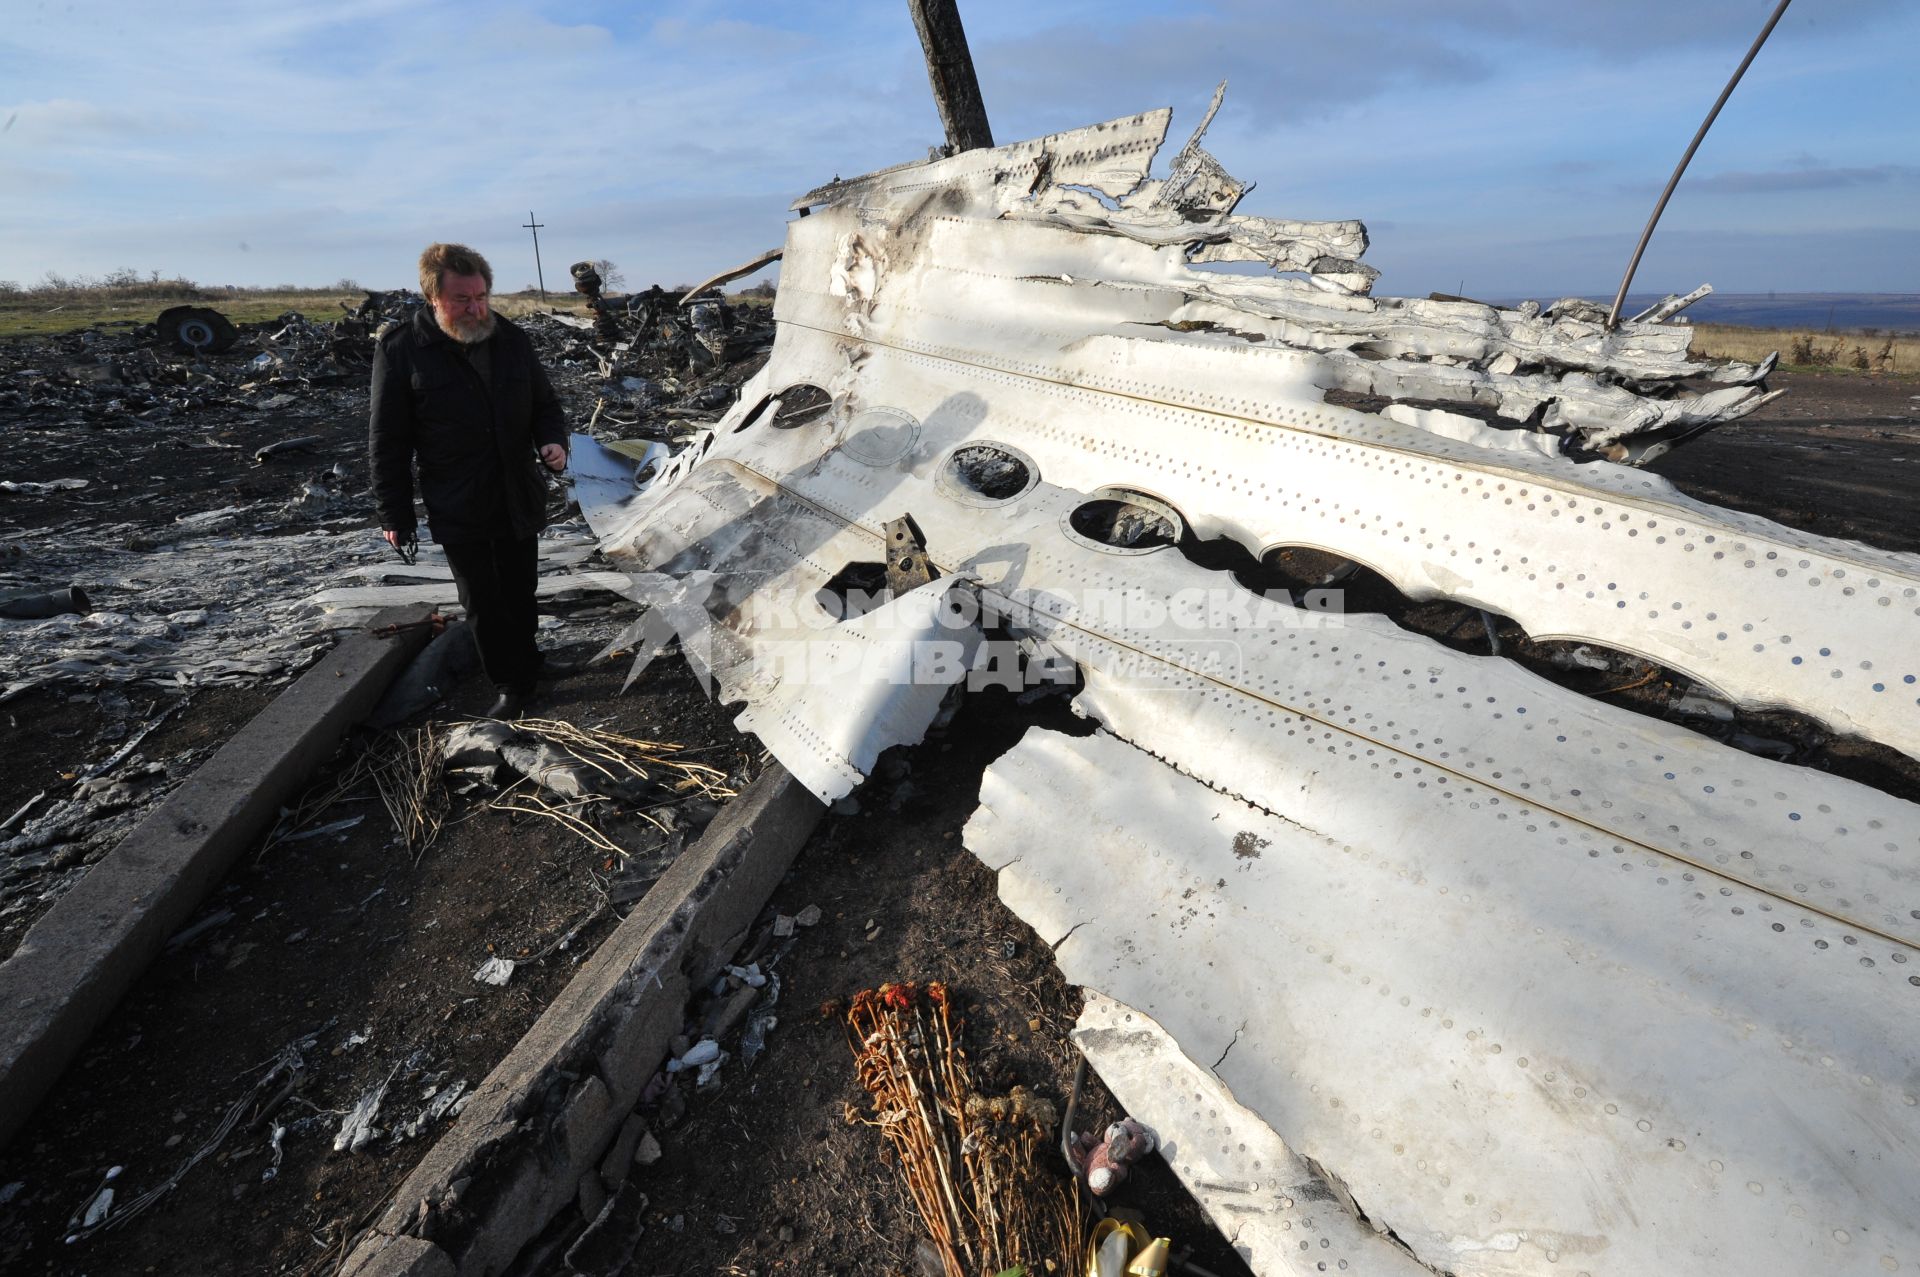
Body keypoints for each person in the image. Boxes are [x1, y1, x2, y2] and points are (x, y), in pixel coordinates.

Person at [368, 242, 569, 718]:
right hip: (458, 498)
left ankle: (530, 663)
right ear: (433, 298)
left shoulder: (511, 339)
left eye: (481, 296)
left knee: (521, 586)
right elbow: (387, 441)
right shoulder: (401, 350)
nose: (476, 308)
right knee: (481, 597)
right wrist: (394, 513)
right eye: (462, 299)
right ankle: (509, 683)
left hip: (517, 490)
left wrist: (552, 440)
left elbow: (545, 404)